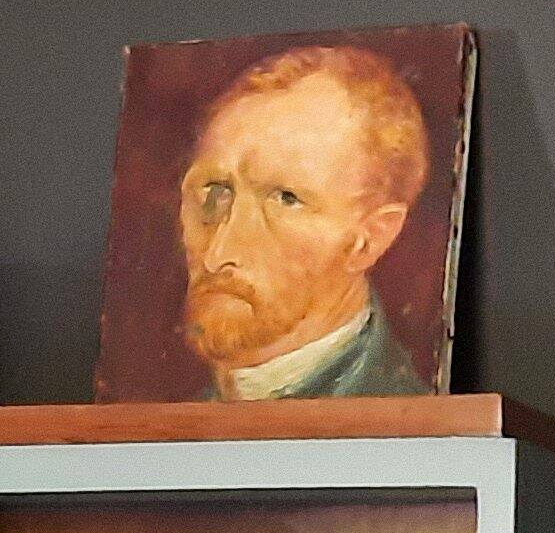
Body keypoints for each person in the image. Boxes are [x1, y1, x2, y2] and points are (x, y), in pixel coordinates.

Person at [178, 44, 431, 399]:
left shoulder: (400, 415)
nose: (219, 253)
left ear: (368, 240)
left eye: (285, 199)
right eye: (214, 191)